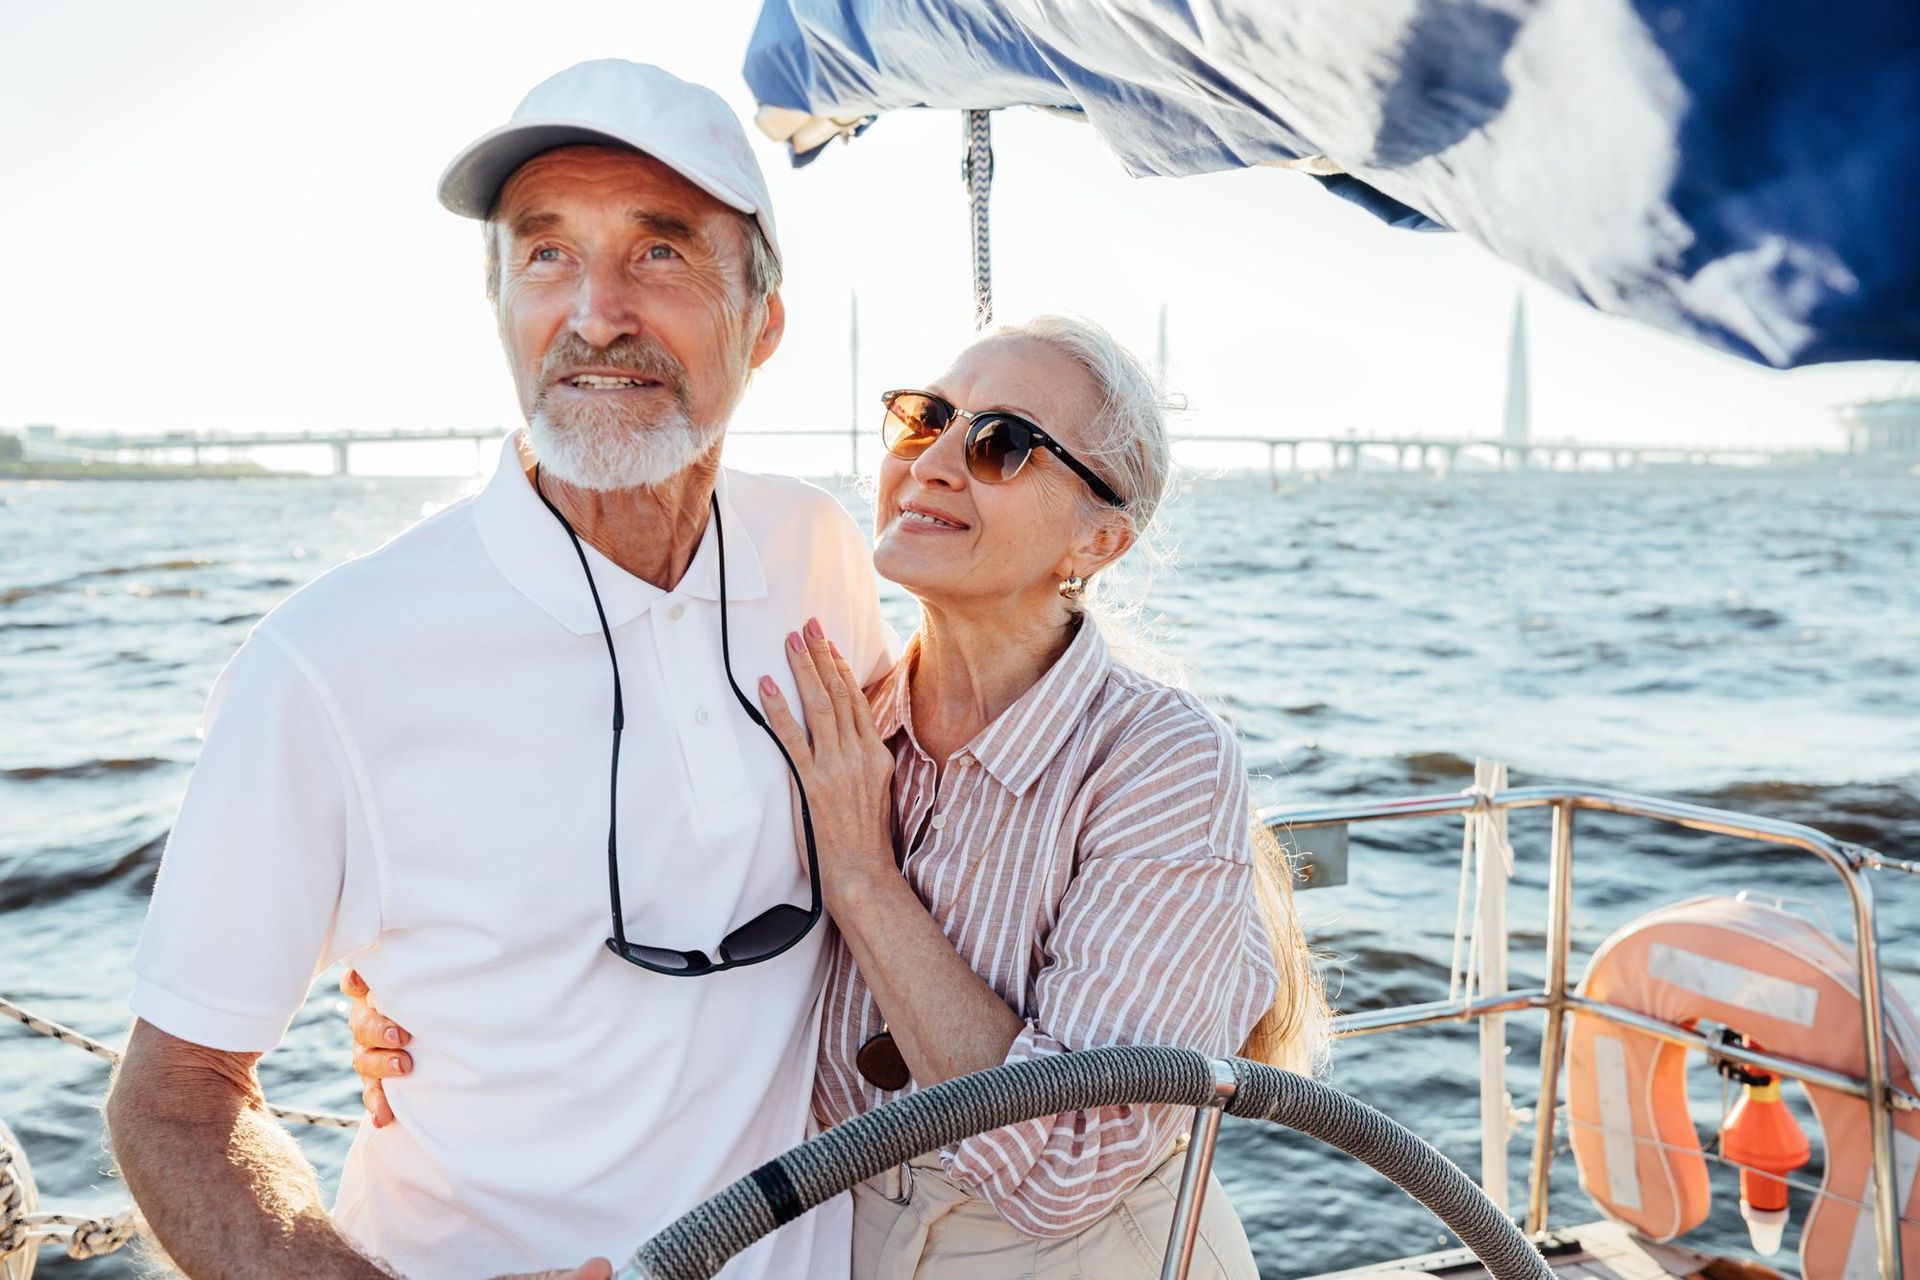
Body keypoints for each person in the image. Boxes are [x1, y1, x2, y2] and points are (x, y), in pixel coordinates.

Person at [104, 60, 893, 1280]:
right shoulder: (328, 661)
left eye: (661, 253)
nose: (596, 313)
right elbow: (171, 1101)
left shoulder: (816, 552)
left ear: (765, 320)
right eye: (545, 257)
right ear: (498, 305)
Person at [348, 315, 1331, 1279]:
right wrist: (439, 1011)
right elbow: (662, 912)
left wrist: (863, 873)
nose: (935, 461)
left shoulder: (1160, 760)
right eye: (925, 417)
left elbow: (1065, 1163)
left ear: (1098, 538)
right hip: (838, 1239)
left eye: (1002, 444)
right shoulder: (838, 712)